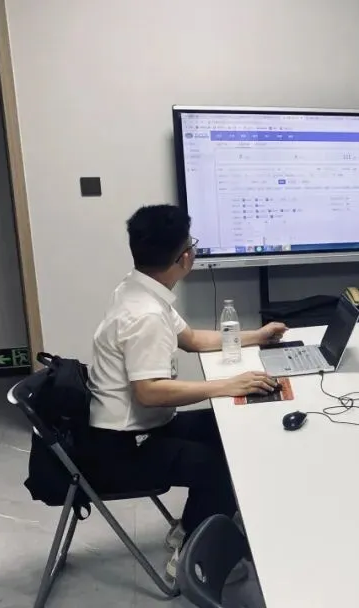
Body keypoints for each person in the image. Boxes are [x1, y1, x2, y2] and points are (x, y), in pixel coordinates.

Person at [83, 204, 287, 582]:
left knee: (227, 431)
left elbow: (192, 339)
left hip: (139, 428)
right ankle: (193, 562)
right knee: (218, 466)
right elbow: (149, 392)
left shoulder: (139, 289)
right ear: (184, 258)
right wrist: (227, 385)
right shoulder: (144, 315)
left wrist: (256, 336)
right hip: (120, 448)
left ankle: (189, 528)